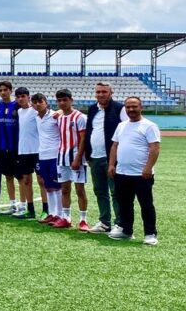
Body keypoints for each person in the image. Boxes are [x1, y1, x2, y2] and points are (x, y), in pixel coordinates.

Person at [108, 96, 160, 245]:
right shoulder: (122, 125)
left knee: (146, 204)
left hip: (141, 174)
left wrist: (148, 168)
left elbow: (155, 148)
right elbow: (115, 146)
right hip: (122, 173)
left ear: (141, 107)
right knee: (124, 204)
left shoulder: (149, 126)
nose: (131, 110)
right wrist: (112, 165)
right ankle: (127, 231)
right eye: (128, 107)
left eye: (134, 106)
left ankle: (150, 234)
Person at [84, 82, 126, 234]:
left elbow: (126, 131)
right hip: (95, 157)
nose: (101, 94)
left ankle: (120, 224)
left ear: (111, 92)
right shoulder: (92, 109)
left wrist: (116, 159)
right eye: (98, 92)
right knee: (100, 191)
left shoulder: (120, 108)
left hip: (112, 159)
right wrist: (87, 155)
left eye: (104, 92)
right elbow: (89, 131)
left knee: (116, 192)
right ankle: (104, 222)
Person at [54, 89, 88, 230]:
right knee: (65, 189)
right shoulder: (60, 117)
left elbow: (83, 139)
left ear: (71, 100)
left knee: (80, 190)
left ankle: (83, 220)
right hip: (62, 158)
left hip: (76, 158)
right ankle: (66, 218)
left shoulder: (80, 117)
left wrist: (78, 158)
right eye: (59, 100)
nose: (62, 103)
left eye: (65, 100)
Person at [32, 93, 66, 226]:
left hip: (55, 155)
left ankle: (61, 214)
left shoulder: (55, 116)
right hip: (43, 155)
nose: (38, 104)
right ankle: (52, 214)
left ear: (46, 102)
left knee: (58, 186)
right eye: (35, 102)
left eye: (40, 101)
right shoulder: (36, 117)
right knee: (48, 187)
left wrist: (61, 111)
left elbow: (68, 112)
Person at [13, 87, 40, 219]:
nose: (20, 99)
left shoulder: (35, 111)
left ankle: (47, 210)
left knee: (42, 181)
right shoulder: (18, 112)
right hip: (23, 151)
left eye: (23, 96)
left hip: (37, 150)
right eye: (18, 97)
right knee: (26, 180)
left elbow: (51, 113)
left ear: (28, 97)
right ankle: (30, 209)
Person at [0, 81, 20, 214]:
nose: (3, 92)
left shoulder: (18, 105)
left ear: (11, 91)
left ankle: (23, 204)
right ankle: (13, 204)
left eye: (5, 90)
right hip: (2, 148)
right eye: (1, 90)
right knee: (8, 176)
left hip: (16, 148)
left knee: (21, 178)